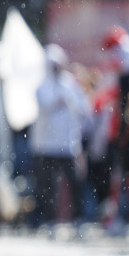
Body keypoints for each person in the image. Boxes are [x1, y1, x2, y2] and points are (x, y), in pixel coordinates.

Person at [29, 45, 92, 232]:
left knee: (74, 182)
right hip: (45, 145)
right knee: (46, 185)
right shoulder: (41, 85)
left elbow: (83, 107)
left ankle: (79, 218)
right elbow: (46, 104)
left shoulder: (71, 84)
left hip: (67, 143)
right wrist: (60, 101)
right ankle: (48, 219)